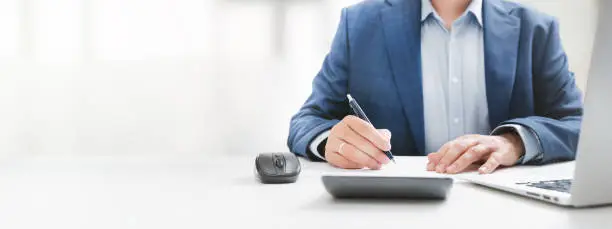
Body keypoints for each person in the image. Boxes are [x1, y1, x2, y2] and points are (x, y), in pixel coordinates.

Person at [287, 0, 583, 174]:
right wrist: (332, 143)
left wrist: (515, 143)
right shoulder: (360, 23)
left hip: (506, 215)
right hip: (390, 214)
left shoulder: (536, 29)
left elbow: (583, 125)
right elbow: (307, 121)